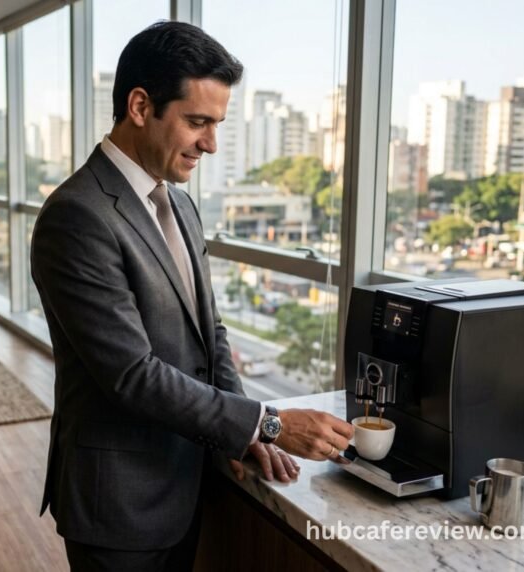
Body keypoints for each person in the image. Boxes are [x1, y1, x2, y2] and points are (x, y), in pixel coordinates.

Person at [30, 22, 353, 571]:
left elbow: (212, 333)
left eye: (217, 124)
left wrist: (245, 434)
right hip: (120, 504)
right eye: (197, 122)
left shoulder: (178, 204)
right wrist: (268, 421)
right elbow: (132, 374)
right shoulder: (76, 216)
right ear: (139, 106)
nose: (211, 143)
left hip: (188, 478)